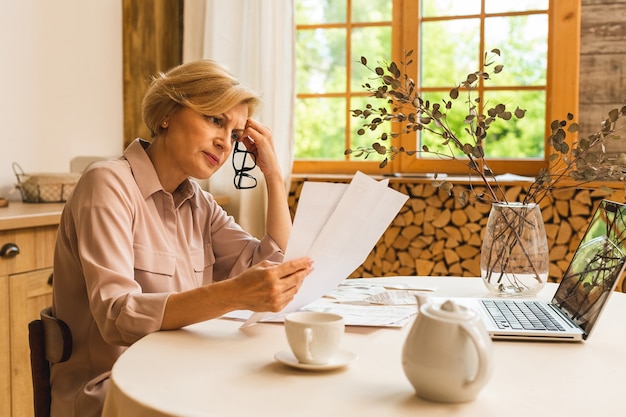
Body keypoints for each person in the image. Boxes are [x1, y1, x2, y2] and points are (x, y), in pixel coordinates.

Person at [50, 60, 314, 417]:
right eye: (215, 120)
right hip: (112, 389)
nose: (224, 143)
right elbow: (116, 316)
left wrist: (274, 176)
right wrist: (234, 293)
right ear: (167, 115)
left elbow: (274, 267)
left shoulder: (200, 204)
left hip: (181, 370)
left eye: (235, 135)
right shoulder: (106, 184)